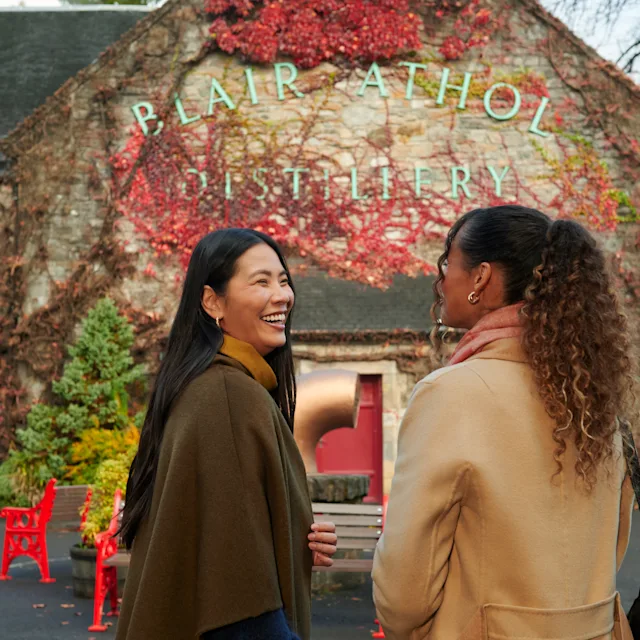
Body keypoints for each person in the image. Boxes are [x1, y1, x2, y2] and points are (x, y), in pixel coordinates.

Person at [372, 205, 635, 640]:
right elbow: (613, 545)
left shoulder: (451, 394)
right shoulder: (594, 393)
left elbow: (405, 595)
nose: (440, 281)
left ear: (481, 277)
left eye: (447, 262)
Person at [116, 229, 337, 640]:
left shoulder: (214, 388)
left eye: (283, 280)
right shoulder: (228, 396)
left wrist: (295, 534)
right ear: (213, 302)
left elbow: (215, 540)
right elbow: (242, 609)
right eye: (261, 281)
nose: (282, 295)